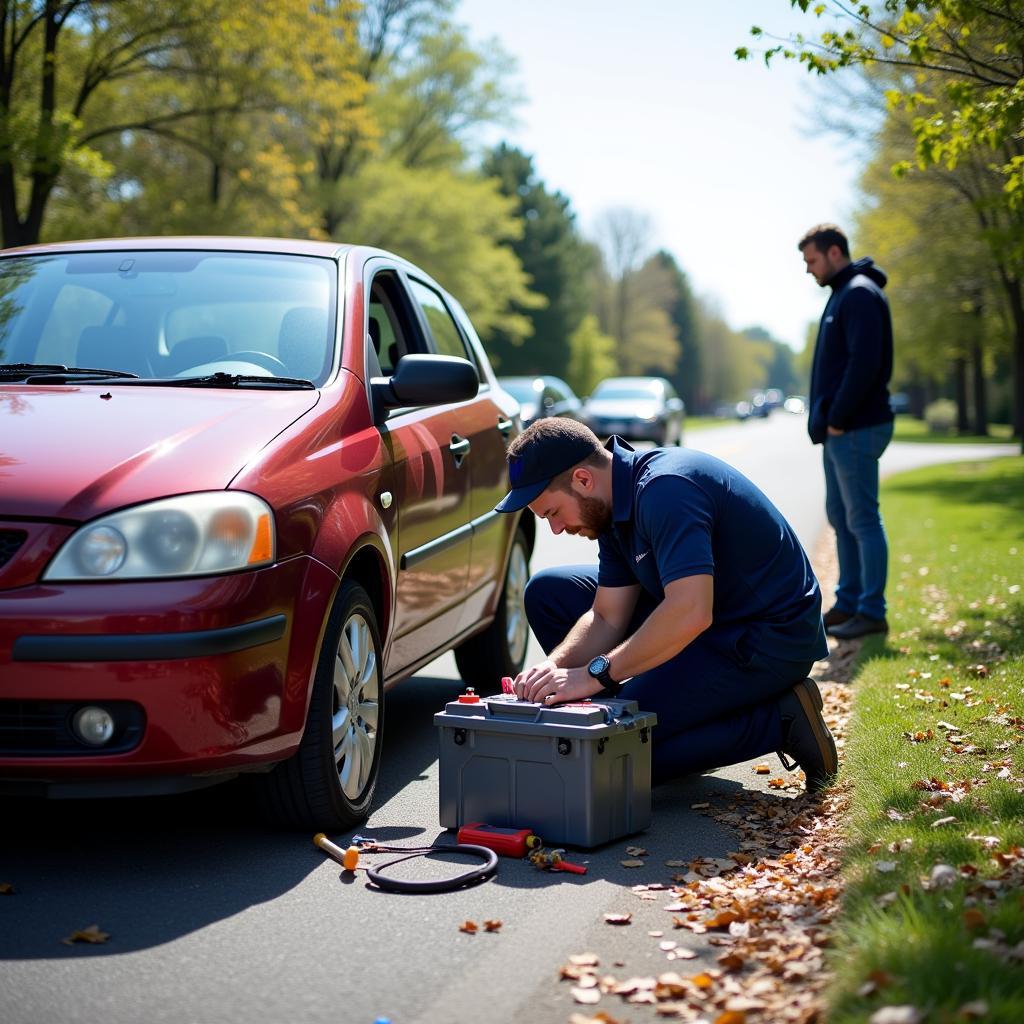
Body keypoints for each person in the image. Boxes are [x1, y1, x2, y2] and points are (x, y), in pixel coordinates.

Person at [494, 418, 837, 792]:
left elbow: (691, 611)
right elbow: (607, 616)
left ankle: (782, 719)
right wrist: (552, 669)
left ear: (582, 479)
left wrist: (592, 675)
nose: (555, 530)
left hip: (766, 639)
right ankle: (643, 717)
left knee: (609, 760)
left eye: (552, 513)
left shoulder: (665, 490)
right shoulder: (609, 507)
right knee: (548, 592)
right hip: (707, 623)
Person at [800, 223, 895, 640]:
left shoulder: (857, 292)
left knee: (861, 518)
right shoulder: (843, 293)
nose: (809, 270)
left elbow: (865, 363)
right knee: (841, 516)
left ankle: (872, 611)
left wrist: (837, 416)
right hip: (841, 430)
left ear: (834, 252)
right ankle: (851, 603)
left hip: (855, 427)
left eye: (812, 260)